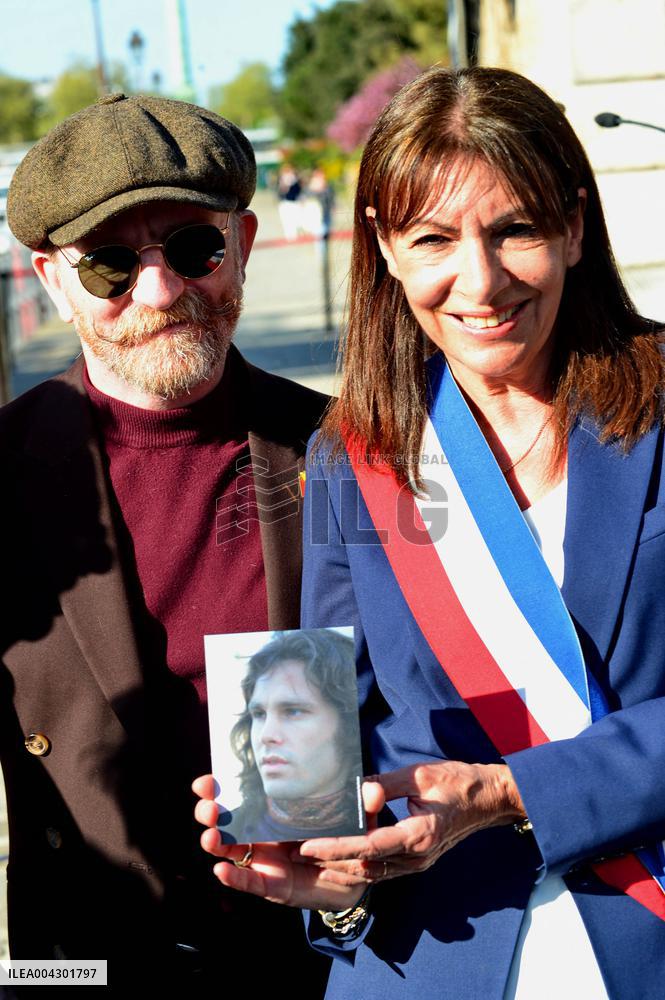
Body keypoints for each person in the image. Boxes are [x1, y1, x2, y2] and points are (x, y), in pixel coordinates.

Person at [194, 66, 665, 999]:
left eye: (515, 229)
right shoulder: (350, 457)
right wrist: (322, 867)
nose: (480, 281)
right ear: (385, 247)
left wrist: (511, 793)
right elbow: (345, 737)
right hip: (435, 959)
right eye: (433, 238)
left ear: (574, 224)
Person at [1, 92, 330, 992]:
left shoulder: (351, 453)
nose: (161, 290)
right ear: (49, 280)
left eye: (194, 248)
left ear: (245, 247)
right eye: (110, 265)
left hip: (319, 959)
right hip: (82, 969)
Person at [223, 629, 363, 843]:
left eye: (293, 711)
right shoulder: (227, 832)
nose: (266, 736)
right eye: (259, 714)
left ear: (349, 725)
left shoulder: (397, 822)